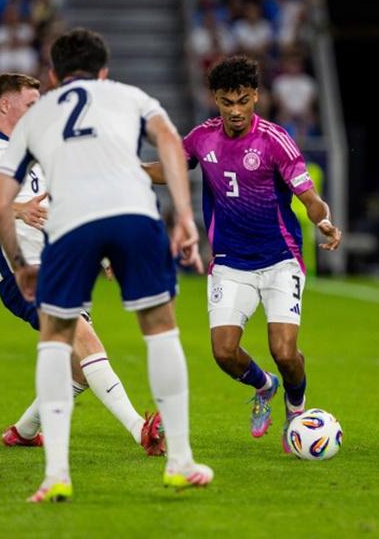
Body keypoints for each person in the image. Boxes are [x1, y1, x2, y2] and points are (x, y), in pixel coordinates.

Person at [0, 29, 212, 503]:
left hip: (70, 224)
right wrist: (184, 216)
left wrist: (20, 264)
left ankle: (56, 475)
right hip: (135, 214)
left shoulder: (39, 114)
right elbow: (170, 142)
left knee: (56, 340)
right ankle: (181, 461)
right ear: (104, 71)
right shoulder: (130, 96)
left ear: (53, 76)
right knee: (160, 329)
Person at [0, 73, 165, 456]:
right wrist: (16, 208)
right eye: (32, 104)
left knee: (79, 368)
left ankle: (24, 431)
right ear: (5, 104)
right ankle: (140, 430)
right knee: (86, 341)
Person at [143, 55, 341, 451]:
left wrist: (323, 219)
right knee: (223, 352)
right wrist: (127, 168)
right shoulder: (202, 138)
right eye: (227, 102)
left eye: (243, 100)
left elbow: (309, 197)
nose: (235, 110)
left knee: (284, 351)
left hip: (280, 259)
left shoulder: (274, 140)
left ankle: (296, 410)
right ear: (215, 99)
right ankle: (264, 386)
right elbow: (170, 168)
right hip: (231, 262)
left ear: (256, 96)